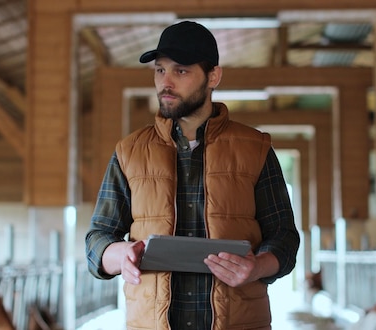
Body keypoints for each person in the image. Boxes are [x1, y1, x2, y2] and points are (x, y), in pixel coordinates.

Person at [85, 20, 300, 330]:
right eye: (160, 70)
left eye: (180, 71)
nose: (166, 82)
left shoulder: (256, 149)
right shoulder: (129, 152)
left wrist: (255, 268)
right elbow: (96, 240)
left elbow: (284, 237)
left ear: (213, 76)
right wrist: (121, 255)